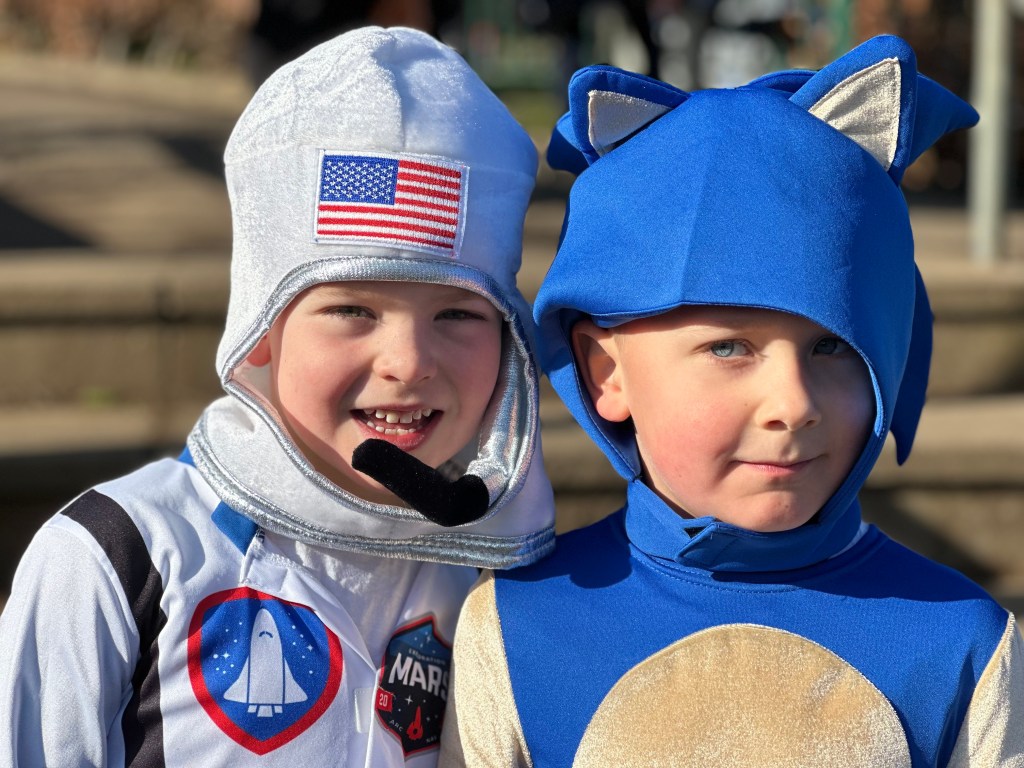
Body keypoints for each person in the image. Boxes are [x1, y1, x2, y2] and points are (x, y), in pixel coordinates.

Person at [440, 35, 1024, 767]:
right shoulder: (517, 628)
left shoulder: (961, 644)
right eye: (729, 349)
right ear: (605, 371)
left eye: (833, 347)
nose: (793, 403)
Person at [0, 26, 554, 766]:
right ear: (260, 332)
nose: (408, 363)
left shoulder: (503, 587)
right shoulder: (122, 557)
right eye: (352, 309)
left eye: (457, 314)